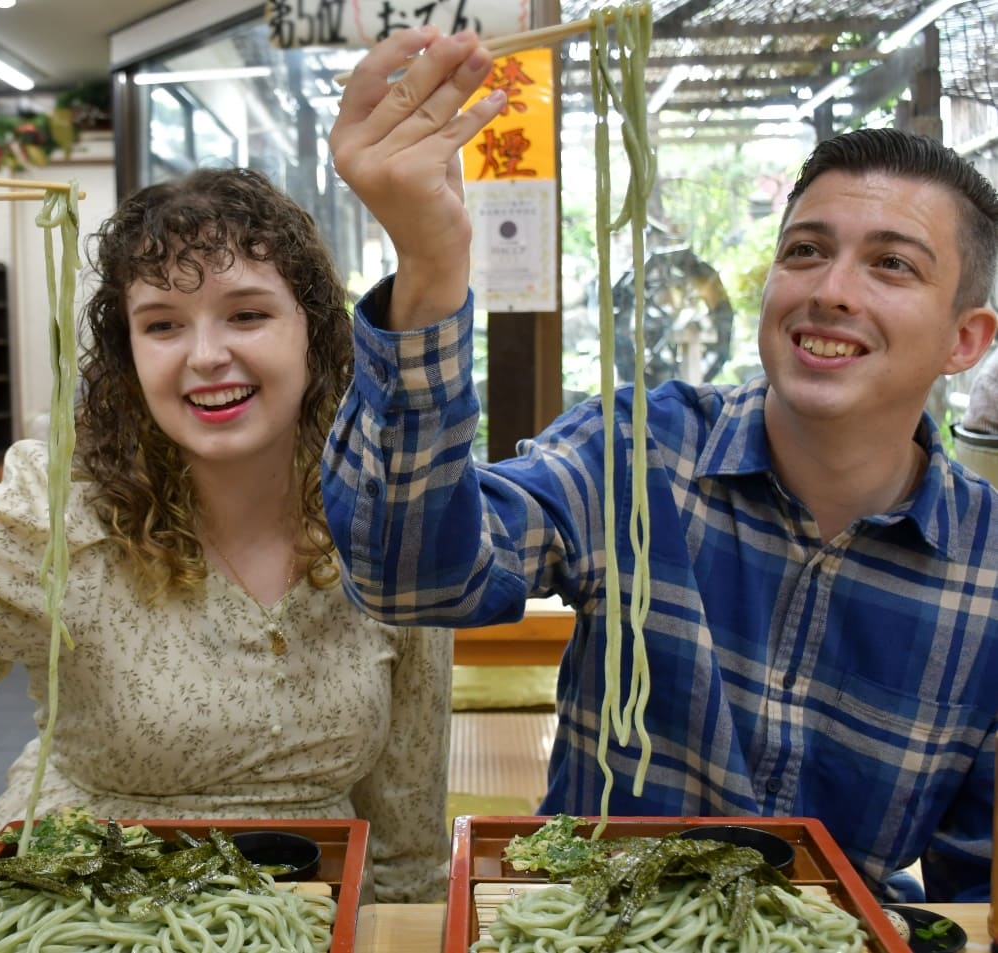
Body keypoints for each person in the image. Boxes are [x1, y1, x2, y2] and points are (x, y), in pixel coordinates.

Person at [322, 28, 998, 902]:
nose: (831, 287)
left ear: (963, 339)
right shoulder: (635, 453)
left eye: (891, 264)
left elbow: (971, 892)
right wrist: (429, 266)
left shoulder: (983, 571)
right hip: (587, 920)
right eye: (803, 250)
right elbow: (411, 579)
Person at [0, 123, 453, 905]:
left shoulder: (386, 524)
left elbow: (407, 842)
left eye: (247, 314)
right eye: (162, 323)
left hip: (308, 906)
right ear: (129, 358)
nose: (204, 355)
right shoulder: (64, 516)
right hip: (77, 902)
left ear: (315, 334)